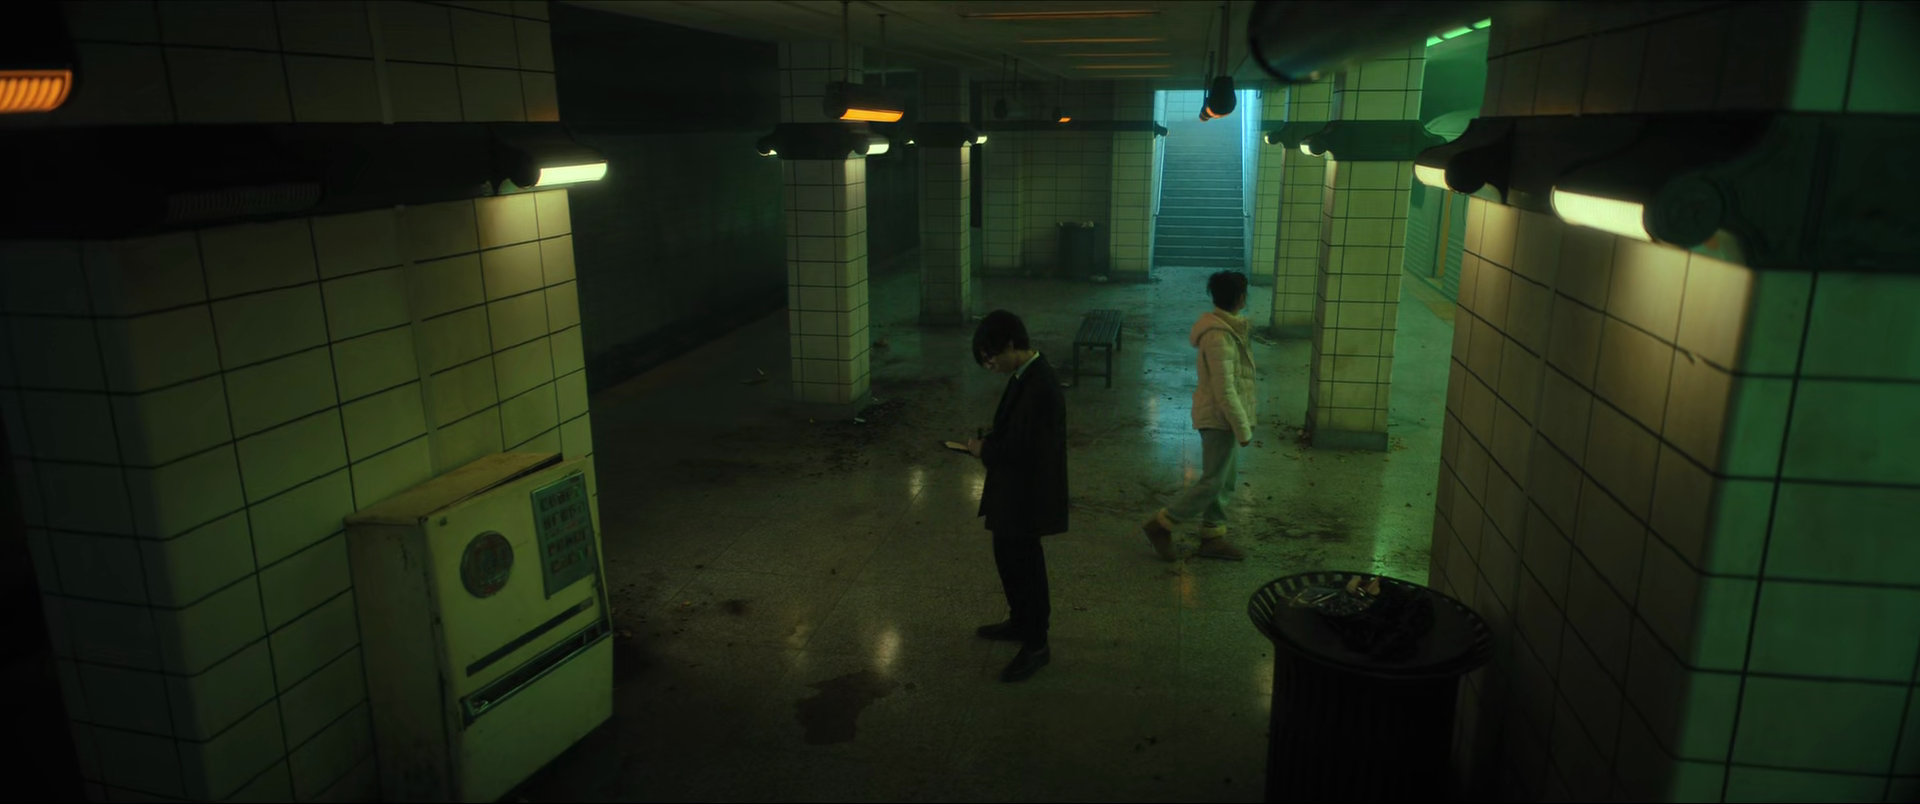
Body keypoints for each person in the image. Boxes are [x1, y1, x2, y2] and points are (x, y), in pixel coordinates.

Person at [966, 310, 1069, 683]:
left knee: (1025, 566)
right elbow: (1019, 433)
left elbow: (1026, 451)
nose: (991, 366)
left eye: (992, 358)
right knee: (1008, 559)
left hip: (1028, 496)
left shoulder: (1039, 385)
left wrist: (983, 450)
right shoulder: (1024, 375)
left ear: (1011, 345)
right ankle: (1020, 622)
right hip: (1015, 493)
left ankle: (1036, 642)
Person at [1141, 271, 1255, 562]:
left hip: (1224, 416)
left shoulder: (1229, 328)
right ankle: (1163, 524)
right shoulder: (1219, 335)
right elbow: (1224, 389)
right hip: (1218, 418)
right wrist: (1242, 428)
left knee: (1224, 480)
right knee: (1212, 481)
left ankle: (1213, 536)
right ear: (1240, 298)